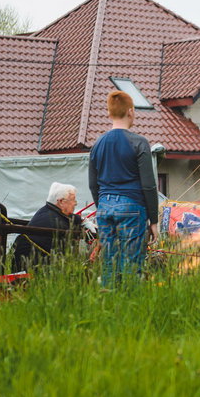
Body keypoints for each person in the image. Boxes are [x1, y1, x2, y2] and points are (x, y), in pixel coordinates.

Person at [89, 91, 159, 285]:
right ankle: (130, 308)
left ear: (109, 114)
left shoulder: (97, 144)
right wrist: (154, 220)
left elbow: (92, 184)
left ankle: (109, 306)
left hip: (104, 207)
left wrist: (102, 205)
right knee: (131, 267)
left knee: (109, 265)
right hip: (132, 208)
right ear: (130, 112)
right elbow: (149, 184)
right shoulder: (139, 142)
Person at [11, 182, 88, 273]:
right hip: (33, 269)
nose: (75, 204)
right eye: (73, 200)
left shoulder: (47, 211)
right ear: (61, 202)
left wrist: (82, 220)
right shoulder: (56, 222)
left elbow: (69, 217)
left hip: (24, 264)